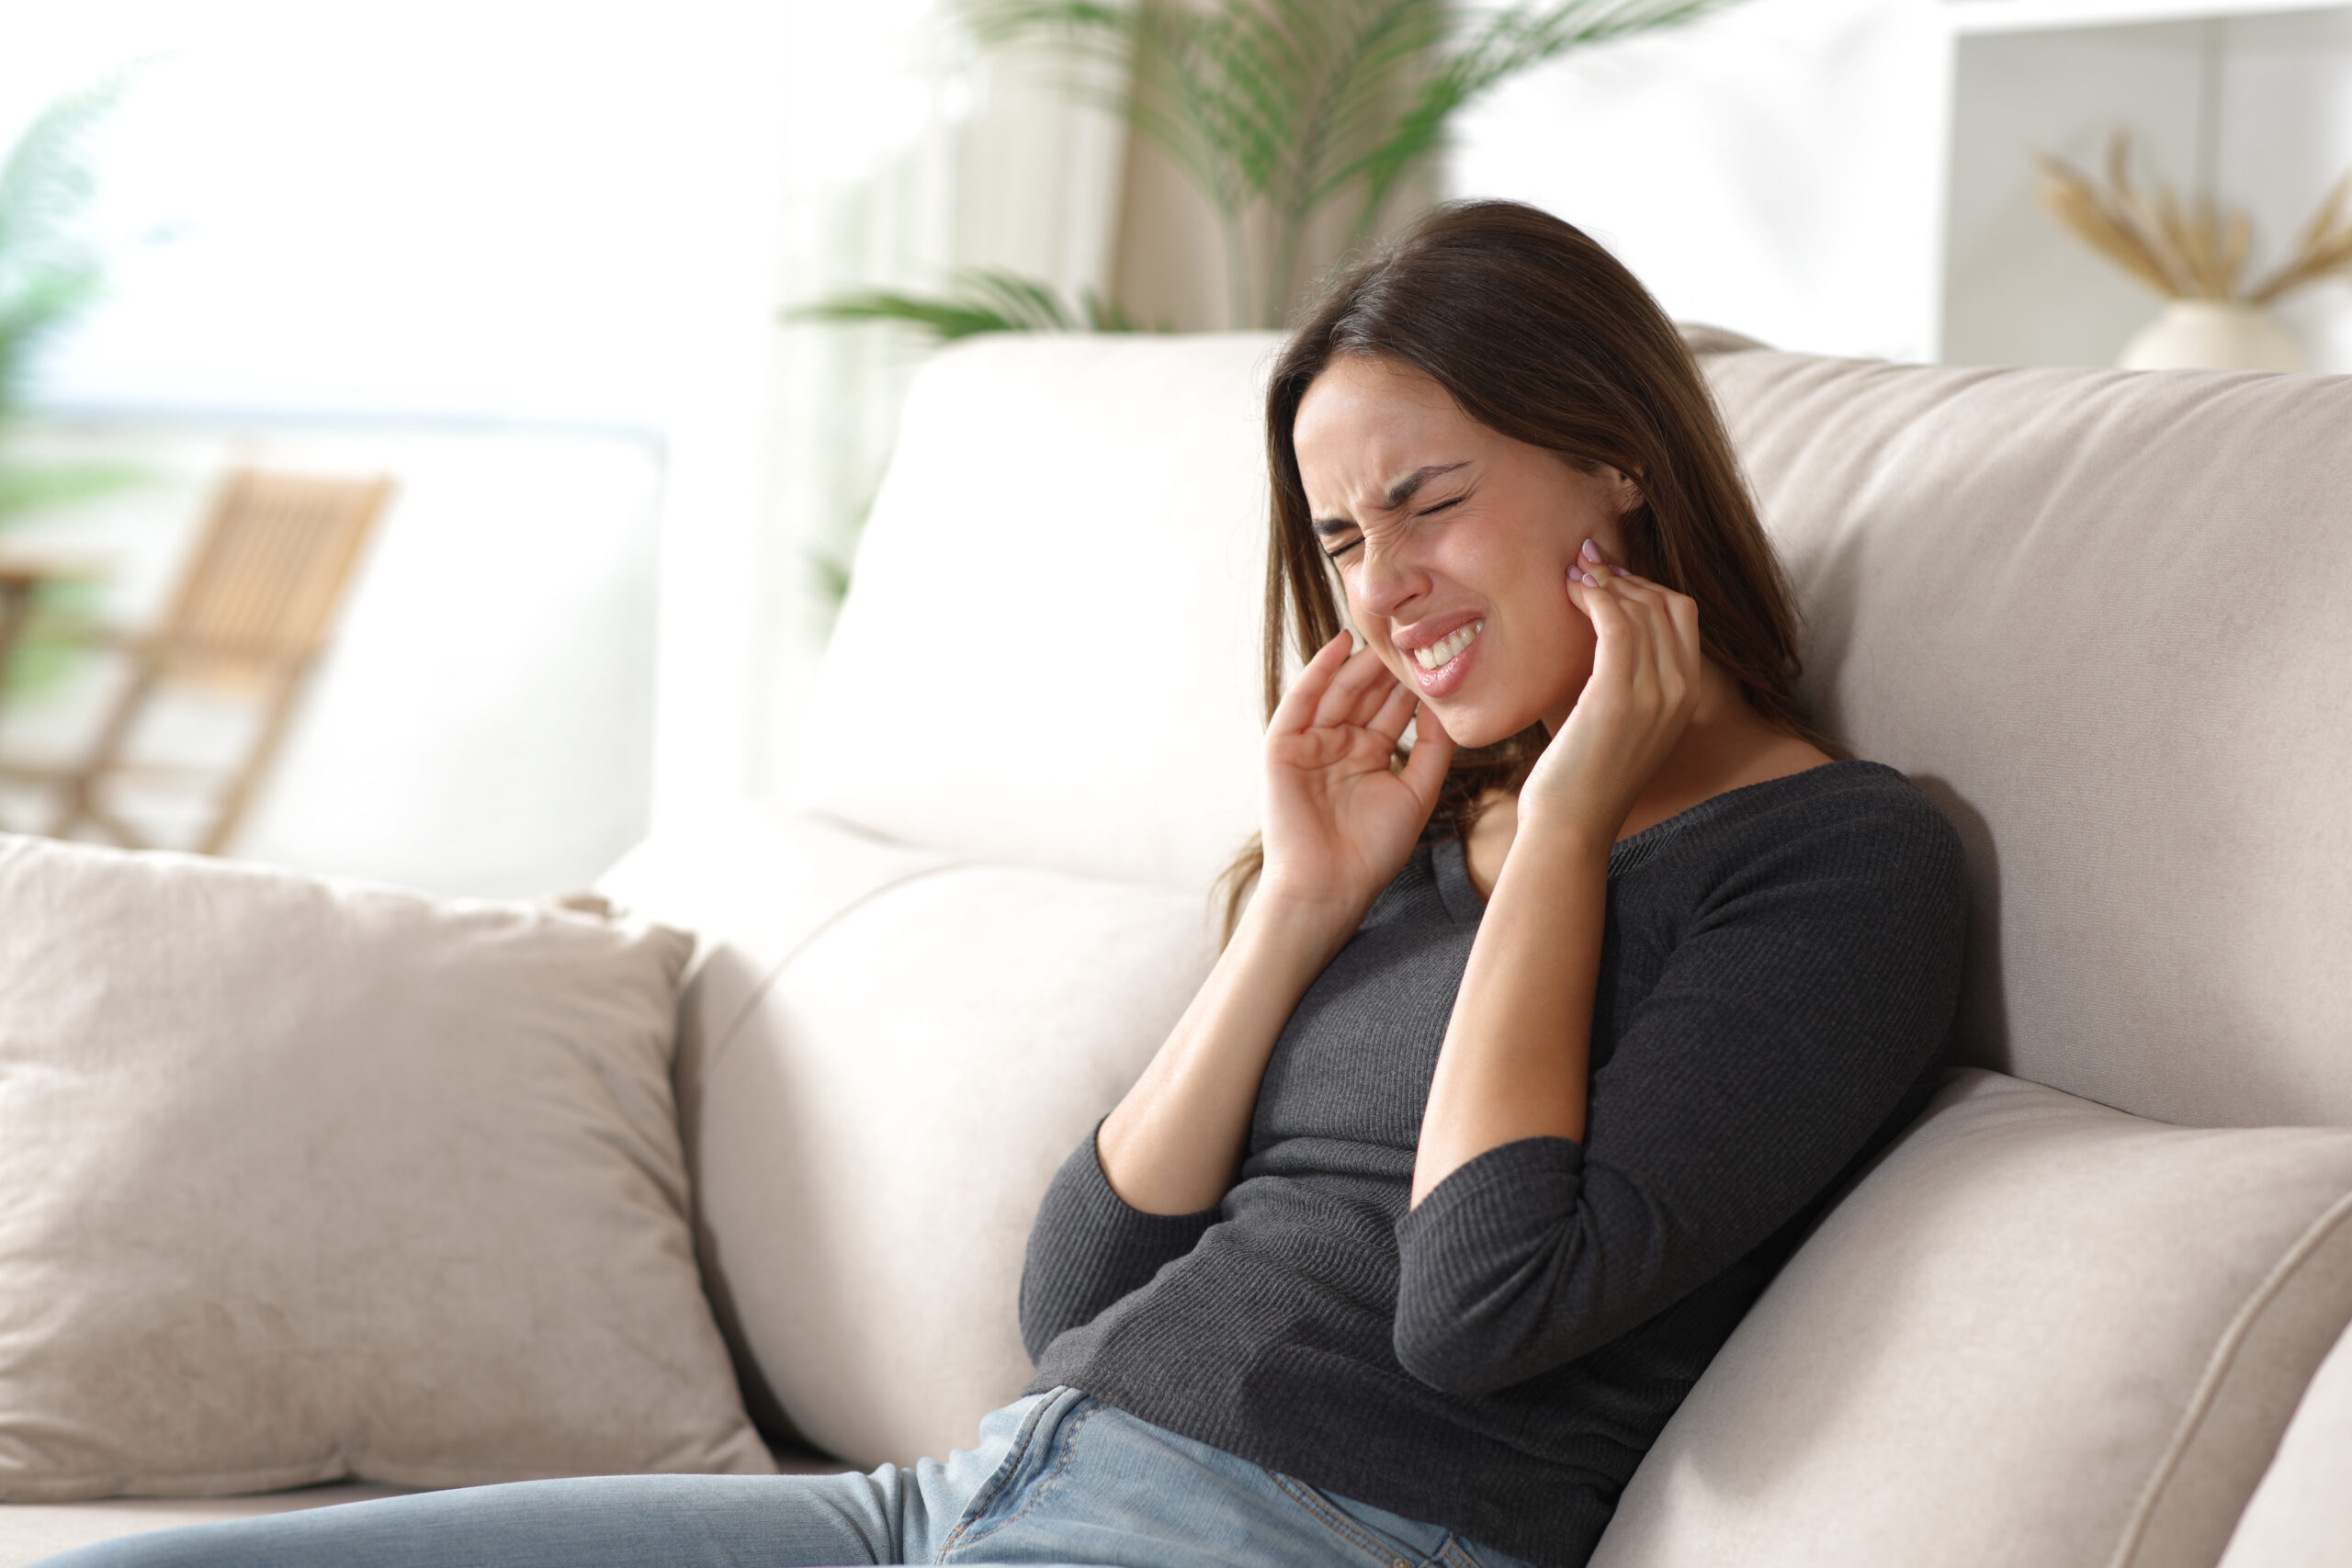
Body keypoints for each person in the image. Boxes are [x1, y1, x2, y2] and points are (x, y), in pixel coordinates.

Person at [40, 200, 1966, 1568]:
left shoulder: (1829, 865)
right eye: (1337, 532)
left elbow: (1479, 1304)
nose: (1379, 587)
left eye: (1431, 500)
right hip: (972, 1488)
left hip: (1289, 1528)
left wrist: (1560, 831)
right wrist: (1299, 903)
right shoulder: (1415, 825)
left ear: (1617, 466)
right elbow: (1072, 1288)